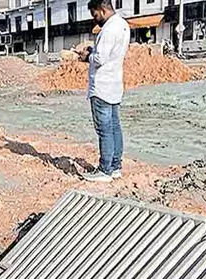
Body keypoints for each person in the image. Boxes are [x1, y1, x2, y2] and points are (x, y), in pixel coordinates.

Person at [77, 0, 130, 182]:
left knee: (104, 130)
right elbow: (109, 53)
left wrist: (86, 57)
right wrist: (94, 51)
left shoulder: (108, 29)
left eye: (95, 14)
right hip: (115, 84)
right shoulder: (122, 25)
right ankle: (115, 166)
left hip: (102, 86)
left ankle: (105, 170)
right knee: (115, 127)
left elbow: (99, 58)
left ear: (102, 9)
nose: (95, 19)